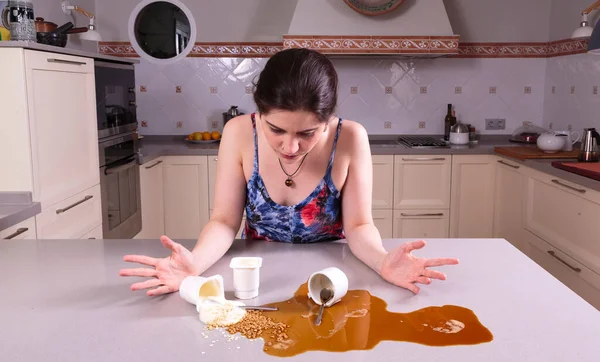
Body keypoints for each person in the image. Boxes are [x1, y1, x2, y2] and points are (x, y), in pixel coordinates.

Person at [119, 48, 459, 296]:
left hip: (334, 277)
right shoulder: (239, 132)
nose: (290, 147)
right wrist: (194, 266)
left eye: (307, 133)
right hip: (258, 280)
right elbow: (224, 220)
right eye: (276, 130)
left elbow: (358, 225)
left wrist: (383, 262)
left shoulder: (351, 138)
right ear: (260, 111)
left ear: (327, 120)